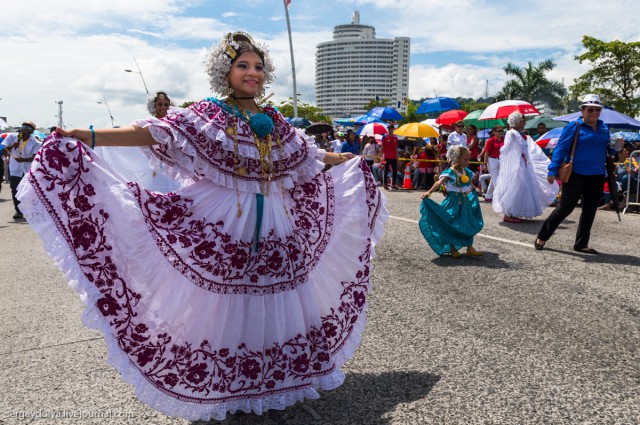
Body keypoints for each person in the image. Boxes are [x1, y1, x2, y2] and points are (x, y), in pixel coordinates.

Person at [16, 32, 388, 421]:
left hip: (276, 225)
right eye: (243, 65)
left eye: (259, 67)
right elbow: (155, 132)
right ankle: (226, 384)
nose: (253, 73)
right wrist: (89, 135)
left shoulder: (274, 120)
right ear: (224, 72)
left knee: (275, 295)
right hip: (223, 221)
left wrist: (340, 158)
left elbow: (305, 153)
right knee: (224, 299)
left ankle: (273, 376)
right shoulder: (209, 114)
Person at [535, 94, 612, 253]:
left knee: (590, 210)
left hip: (597, 175)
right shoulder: (574, 126)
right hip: (575, 174)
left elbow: (607, 148)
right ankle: (542, 236)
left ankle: (581, 244)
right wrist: (552, 169)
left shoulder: (604, 127)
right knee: (565, 208)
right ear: (582, 110)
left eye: (597, 110)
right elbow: (560, 149)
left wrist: (616, 147)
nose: (594, 113)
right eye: (590, 109)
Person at [95, 91, 182, 193]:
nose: (163, 107)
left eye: (166, 104)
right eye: (160, 104)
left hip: (172, 168)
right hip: (154, 169)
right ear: (154, 105)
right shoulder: (149, 123)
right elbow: (136, 138)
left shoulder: (174, 123)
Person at [492, 112, 559, 223]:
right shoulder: (511, 133)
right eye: (523, 121)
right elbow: (507, 150)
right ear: (517, 122)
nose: (524, 122)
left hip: (524, 165)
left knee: (523, 189)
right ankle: (508, 214)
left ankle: (513, 213)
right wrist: (512, 165)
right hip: (518, 166)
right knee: (514, 188)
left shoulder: (519, 134)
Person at [419, 145, 483, 257]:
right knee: (451, 223)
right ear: (457, 159)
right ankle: (452, 248)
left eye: (468, 159)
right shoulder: (450, 172)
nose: (468, 161)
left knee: (468, 222)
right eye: (465, 159)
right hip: (453, 201)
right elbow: (438, 183)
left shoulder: (466, 171)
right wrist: (429, 192)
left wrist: (473, 189)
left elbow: (470, 185)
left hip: (465, 201)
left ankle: (469, 247)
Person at [2, 121, 41, 219]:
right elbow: (4, 150)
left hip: (28, 170)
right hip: (15, 169)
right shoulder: (12, 137)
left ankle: (32, 210)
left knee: (30, 191)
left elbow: (34, 157)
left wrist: (23, 160)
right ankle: (18, 212)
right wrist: (11, 146)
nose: (24, 129)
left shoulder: (35, 142)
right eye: (24, 126)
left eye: (28, 128)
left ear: (31, 131)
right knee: (15, 190)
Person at [482, 125, 505, 202]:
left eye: (502, 131)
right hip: (492, 161)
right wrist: (485, 164)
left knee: (493, 180)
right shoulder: (490, 141)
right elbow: (486, 153)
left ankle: (488, 196)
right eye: (498, 131)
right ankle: (500, 198)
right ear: (494, 132)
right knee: (496, 180)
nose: (500, 133)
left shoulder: (504, 140)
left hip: (501, 161)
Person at [381, 124, 399, 190]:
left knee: (394, 171)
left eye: (391, 128)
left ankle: (393, 184)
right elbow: (382, 147)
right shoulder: (384, 137)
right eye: (388, 128)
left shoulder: (395, 138)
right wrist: (381, 155)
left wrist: (397, 156)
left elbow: (396, 147)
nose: (389, 130)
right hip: (386, 157)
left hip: (393, 157)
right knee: (386, 171)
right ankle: (385, 184)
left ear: (393, 129)